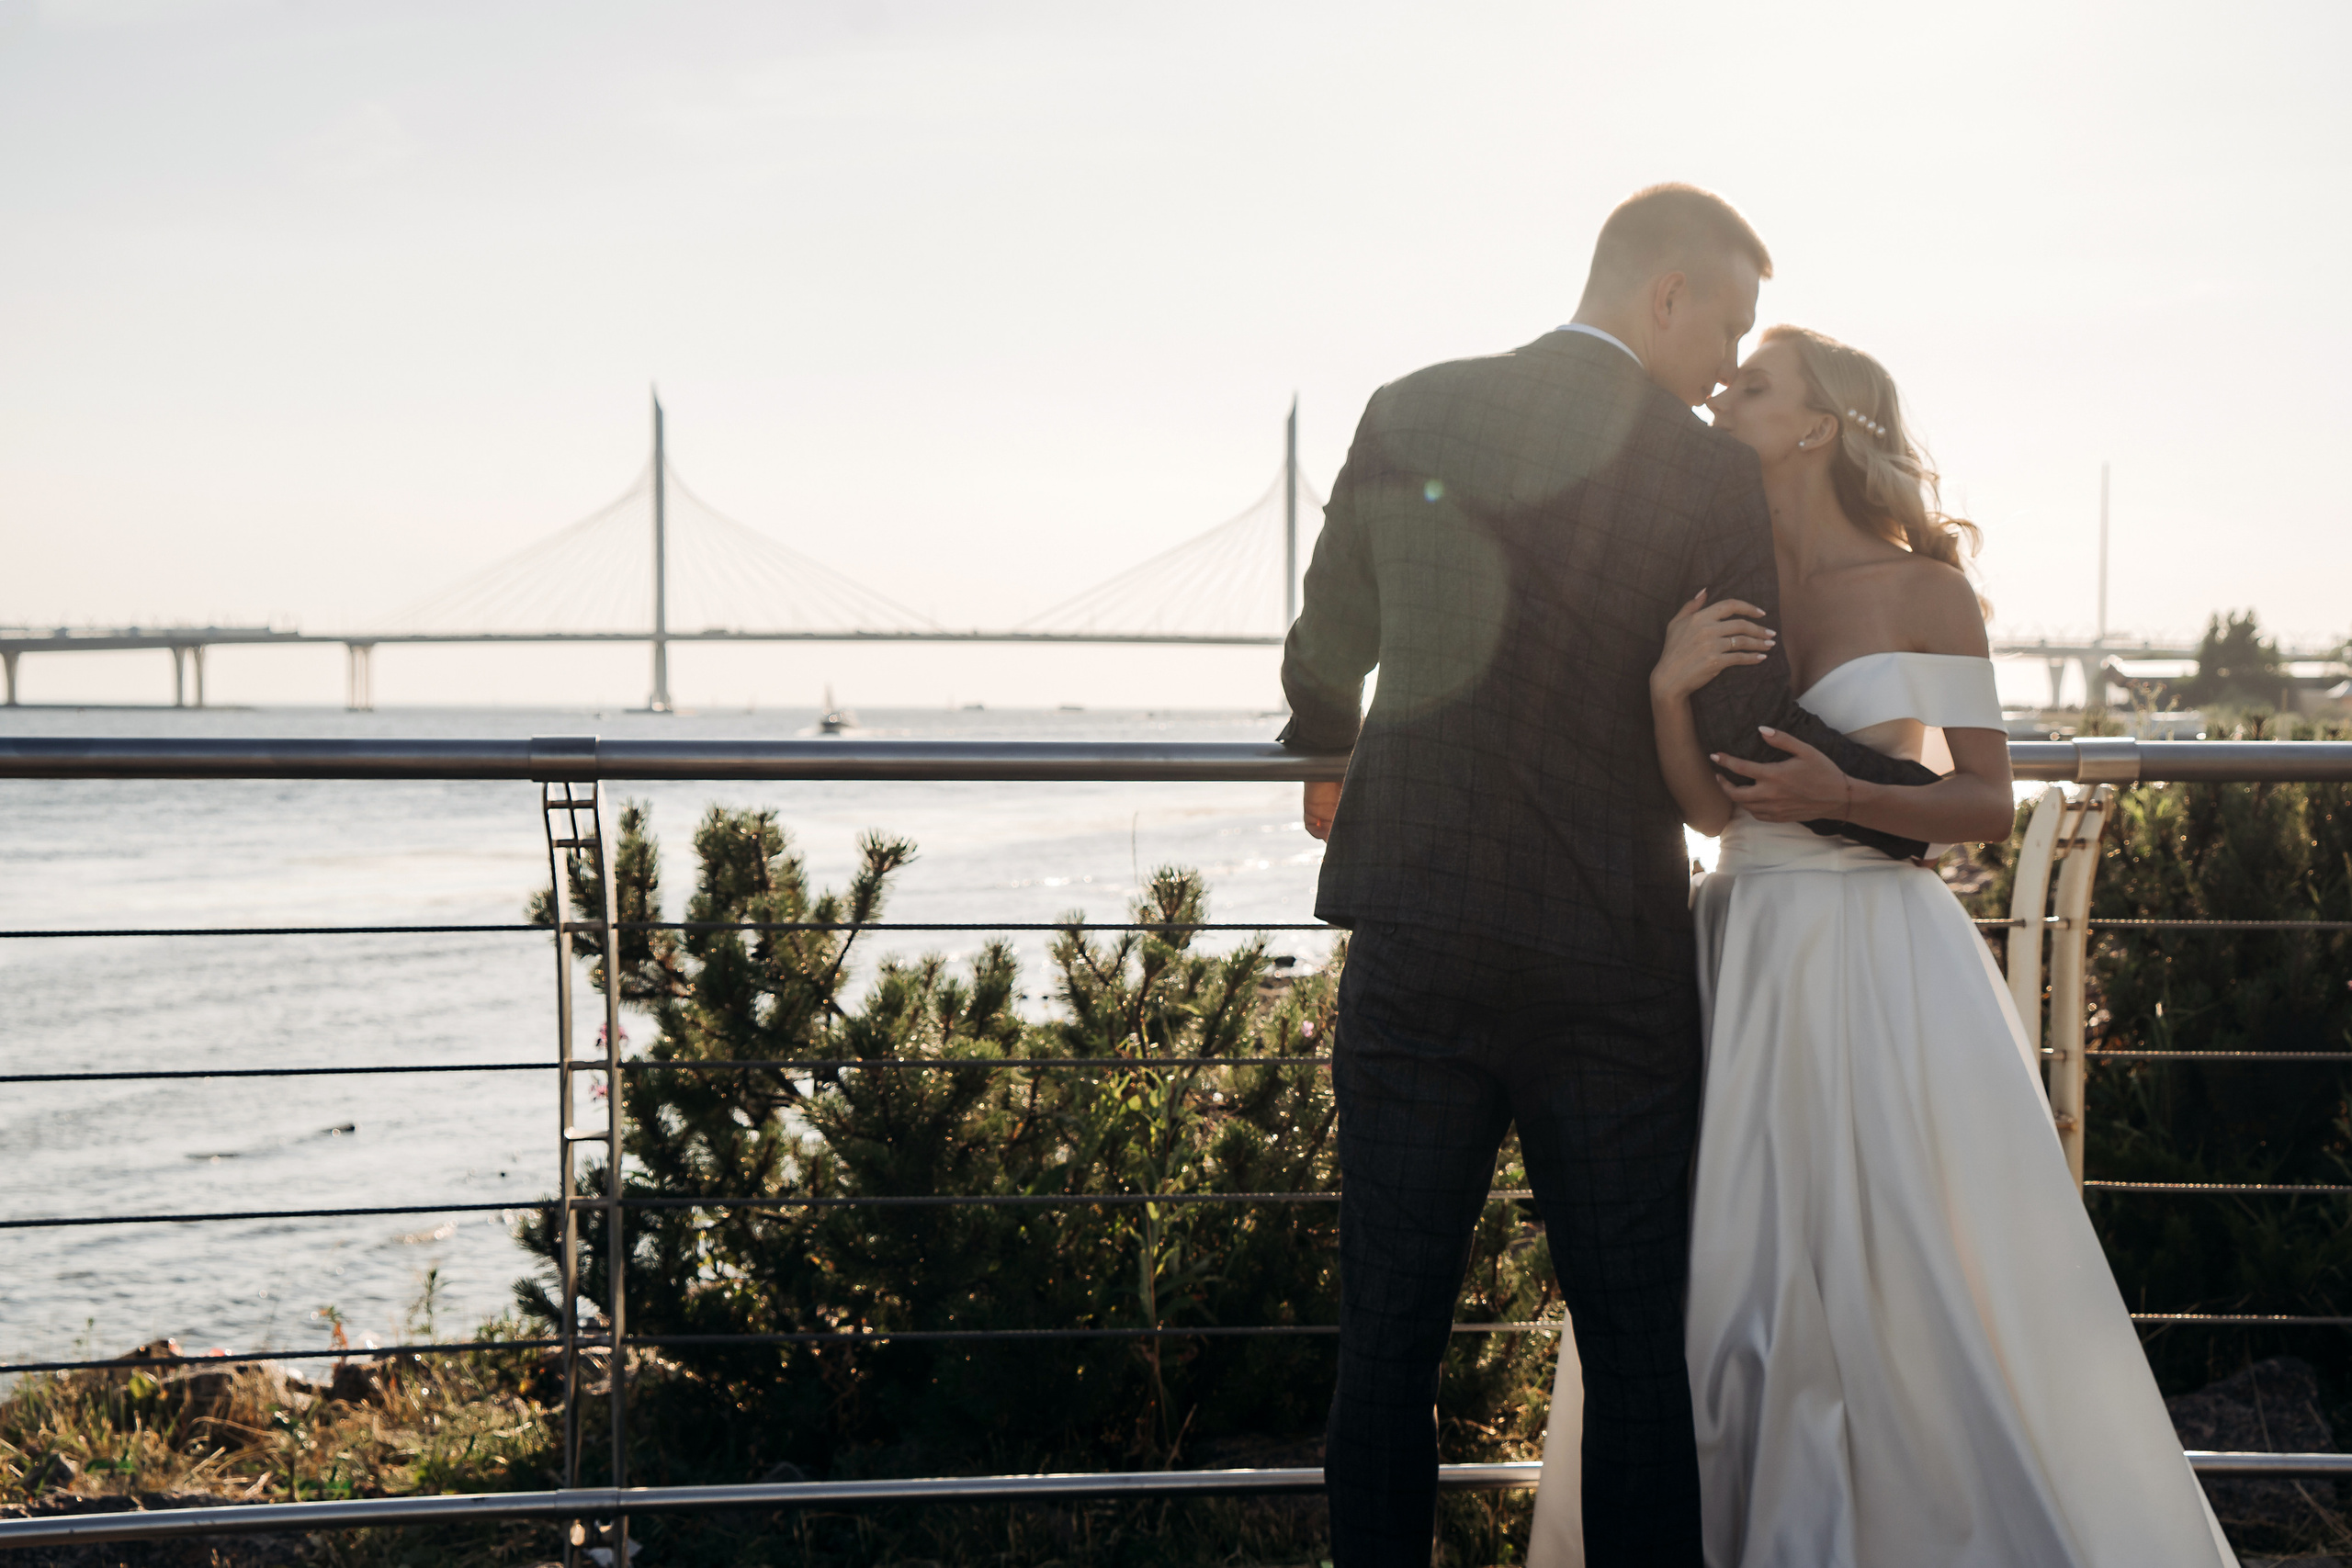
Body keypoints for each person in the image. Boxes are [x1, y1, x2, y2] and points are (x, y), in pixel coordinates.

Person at [1279, 185, 1940, 1568]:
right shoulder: (1706, 478)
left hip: (1417, 939)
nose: (1724, 371)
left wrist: (1329, 751)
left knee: (1388, 1340)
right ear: (1666, 297)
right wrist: (1909, 811)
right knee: (1638, 1347)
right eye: (1730, 330)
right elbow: (1740, 728)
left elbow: (1329, 636)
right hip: (1605, 965)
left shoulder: (1409, 403)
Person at [1525, 328, 2236, 1567]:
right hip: (1738, 944)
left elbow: (1982, 803)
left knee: (1900, 1266)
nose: (1721, 398)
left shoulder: (1926, 591)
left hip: (1879, 956)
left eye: (1752, 387)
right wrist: (1663, 690)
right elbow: (1705, 812)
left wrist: (1845, 797)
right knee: (1722, 1270)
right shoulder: (1710, 586)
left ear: (1814, 426)